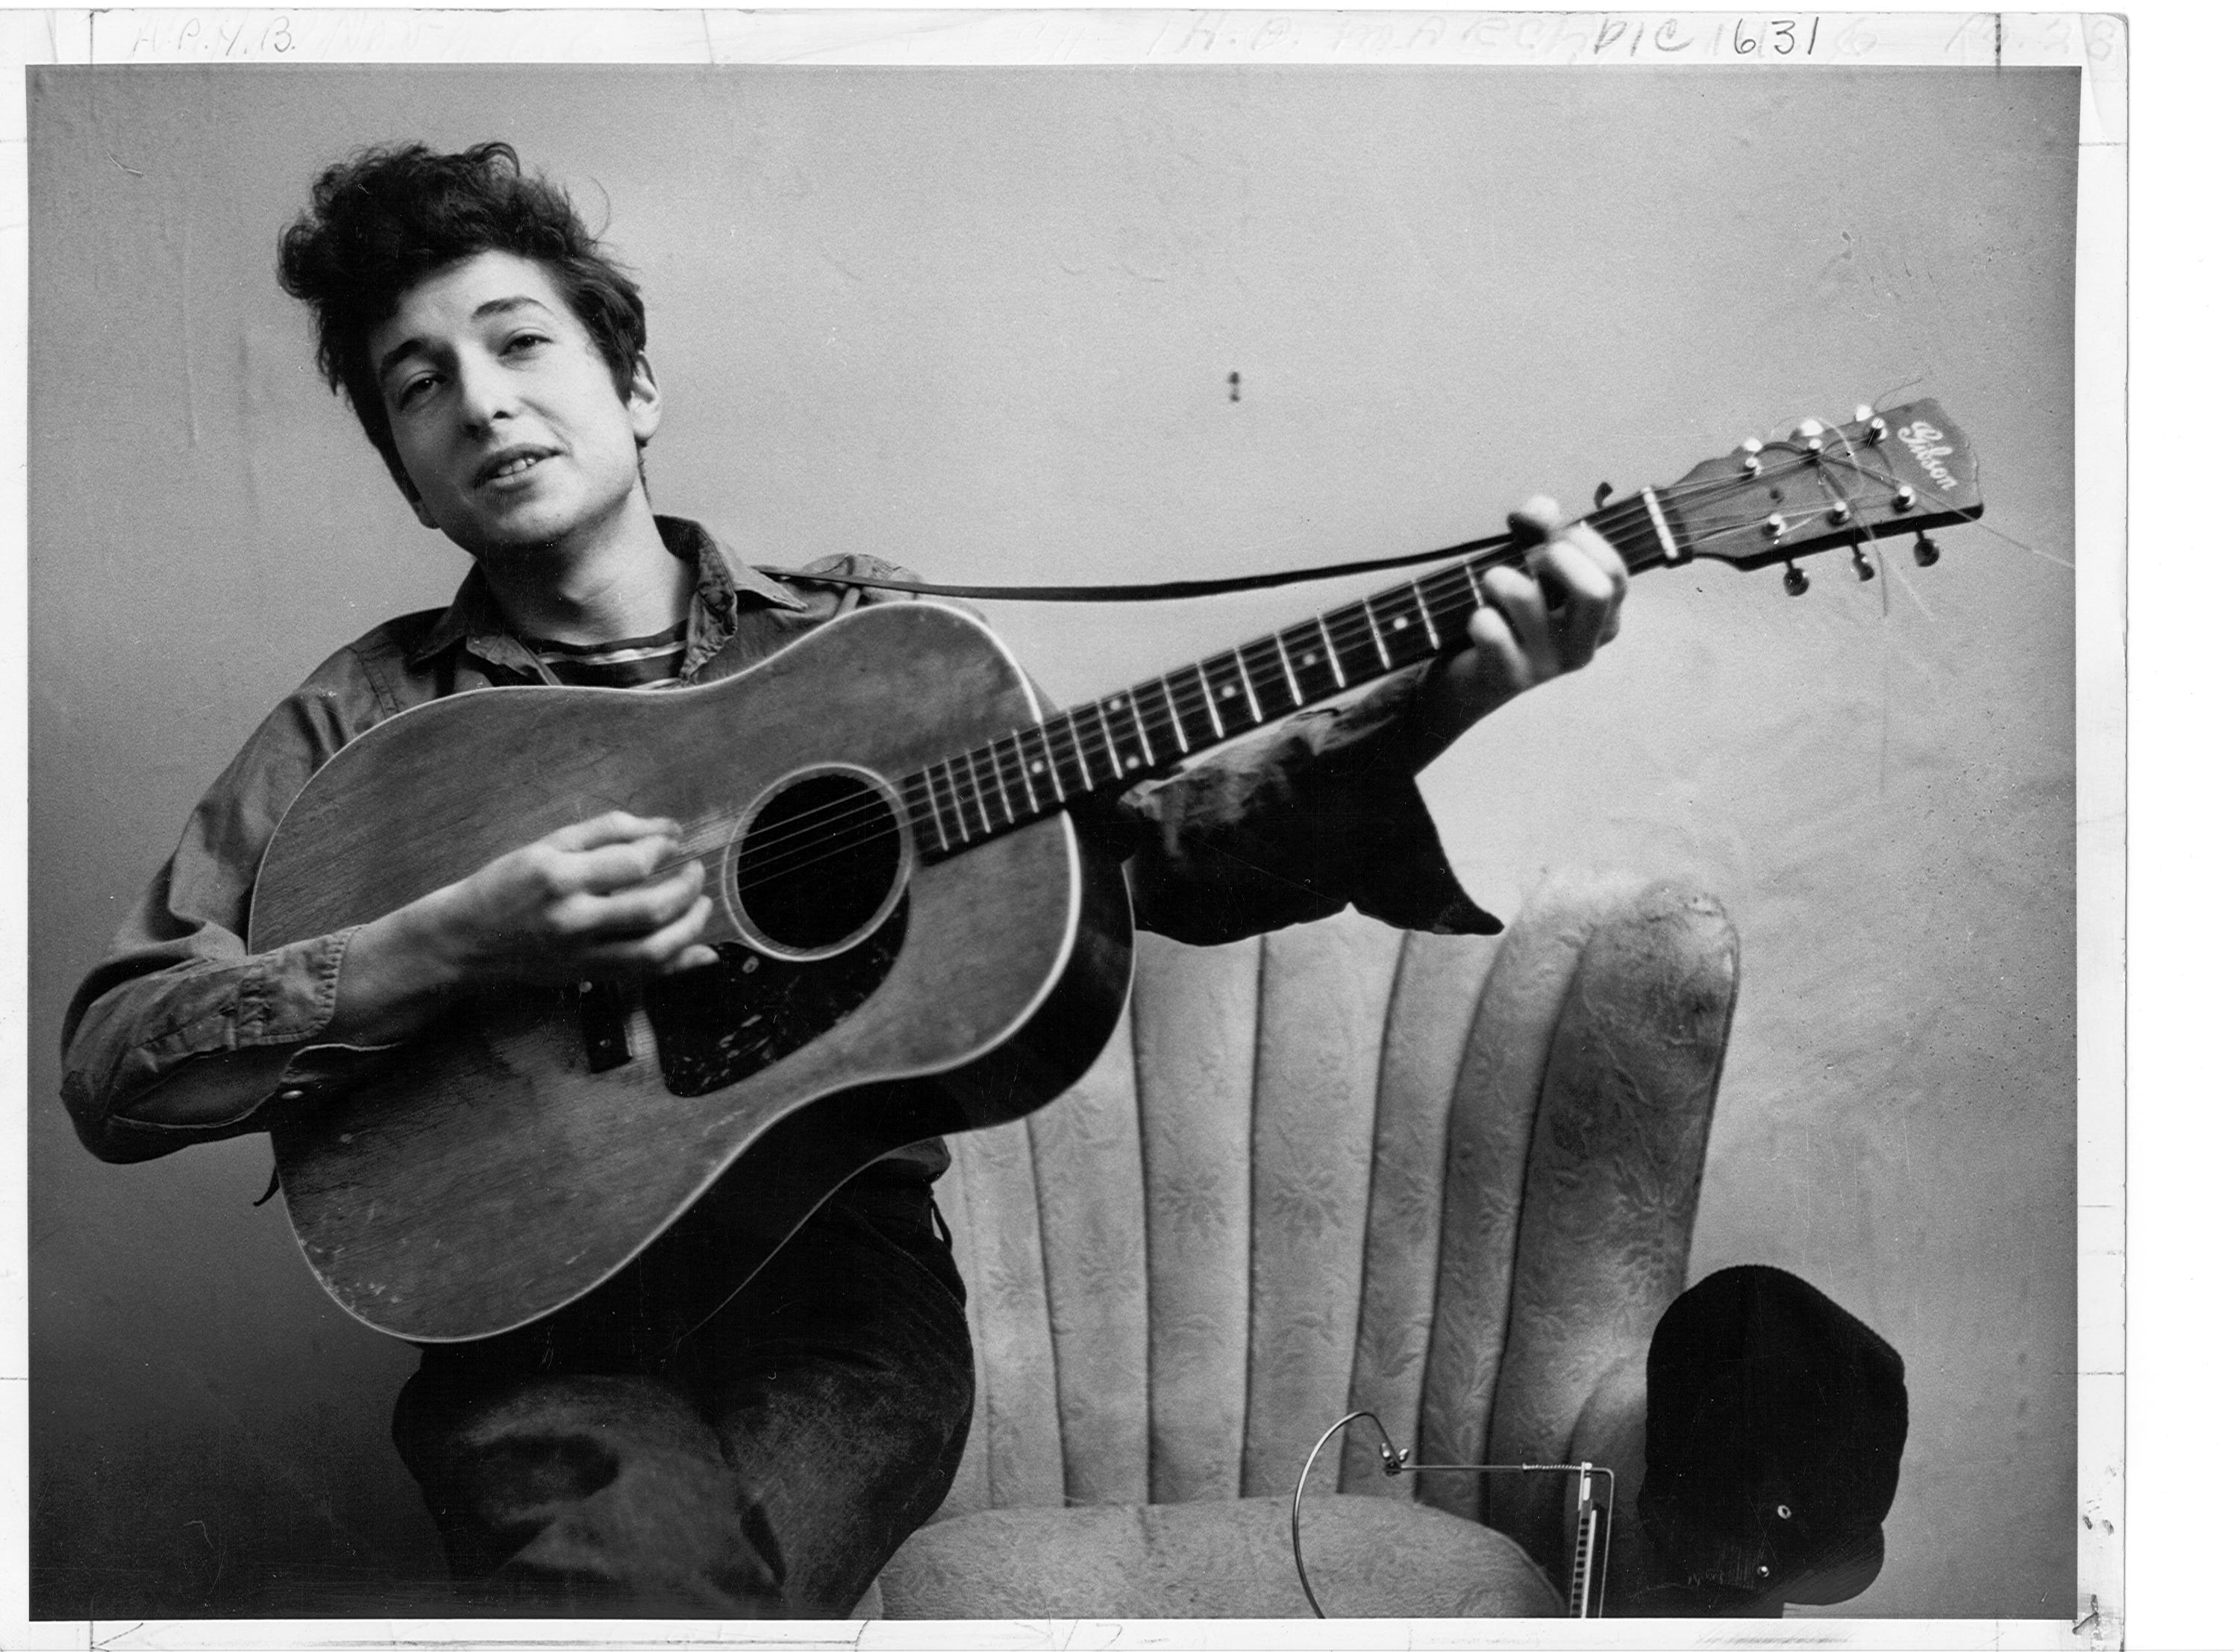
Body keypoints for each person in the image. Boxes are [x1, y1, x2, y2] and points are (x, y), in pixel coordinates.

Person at [59, 142, 1629, 1617]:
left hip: (839, 1310)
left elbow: (1158, 849)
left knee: (661, 1601)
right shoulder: (363, 722)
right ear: (409, 476)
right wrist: (455, 937)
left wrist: (1444, 698)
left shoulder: (862, 648)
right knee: (646, 1583)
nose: (482, 401)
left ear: (635, 386)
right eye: (421, 385)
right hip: (530, 1333)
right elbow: (117, 1062)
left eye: (520, 342)